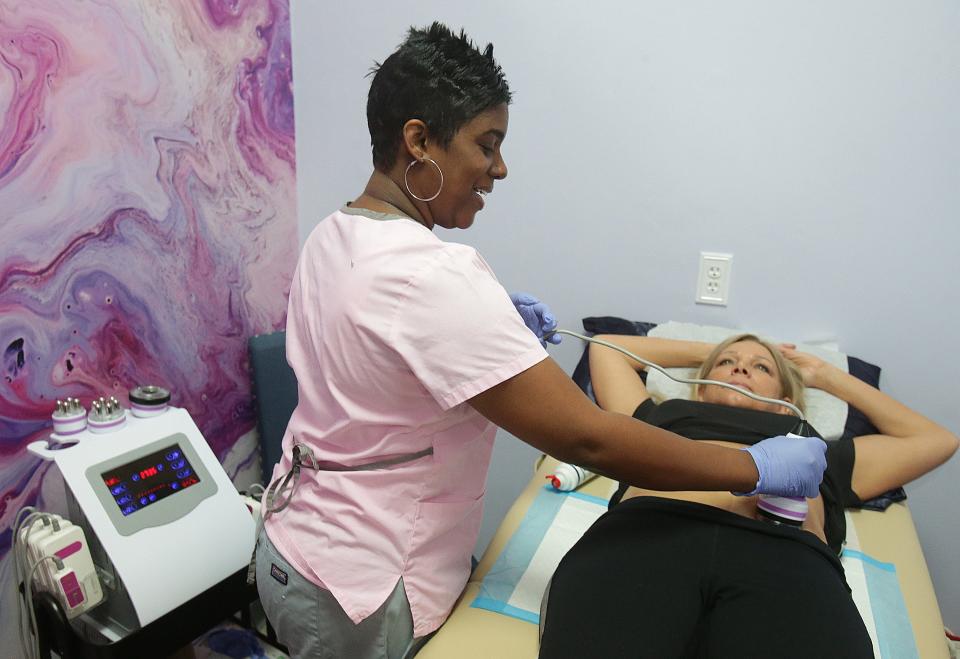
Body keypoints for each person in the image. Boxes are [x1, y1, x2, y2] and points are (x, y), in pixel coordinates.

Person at [253, 23, 828, 659]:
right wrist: (753, 467)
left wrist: (488, 327)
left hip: (293, 547)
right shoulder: (436, 275)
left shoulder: (333, 235)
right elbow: (587, 437)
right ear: (418, 140)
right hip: (360, 584)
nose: (499, 169)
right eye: (487, 144)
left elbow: (377, 361)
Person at [538, 332, 959, 658]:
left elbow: (935, 440)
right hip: (646, 537)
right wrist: (716, 348)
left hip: (785, 557)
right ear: (701, 387)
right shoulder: (660, 417)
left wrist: (824, 374)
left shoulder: (810, 445)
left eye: (761, 368)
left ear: (784, 401)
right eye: (726, 364)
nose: (741, 370)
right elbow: (608, 349)